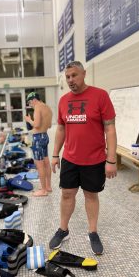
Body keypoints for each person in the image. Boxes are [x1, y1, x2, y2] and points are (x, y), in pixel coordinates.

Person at [49, 61, 117, 255]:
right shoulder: (63, 100)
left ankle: (93, 231)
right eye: (67, 76)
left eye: (74, 75)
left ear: (84, 74)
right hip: (70, 158)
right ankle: (63, 229)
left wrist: (111, 160)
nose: (70, 80)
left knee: (90, 195)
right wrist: (55, 154)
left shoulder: (100, 96)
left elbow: (110, 129)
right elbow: (61, 129)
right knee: (67, 194)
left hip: (94, 159)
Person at [24, 92, 53, 197]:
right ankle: (48, 186)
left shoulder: (37, 107)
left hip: (38, 139)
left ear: (34, 100)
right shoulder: (48, 108)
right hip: (45, 136)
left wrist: (29, 120)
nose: (30, 105)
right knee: (46, 162)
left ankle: (43, 190)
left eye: (30, 102)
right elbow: (49, 125)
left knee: (39, 165)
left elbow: (36, 124)